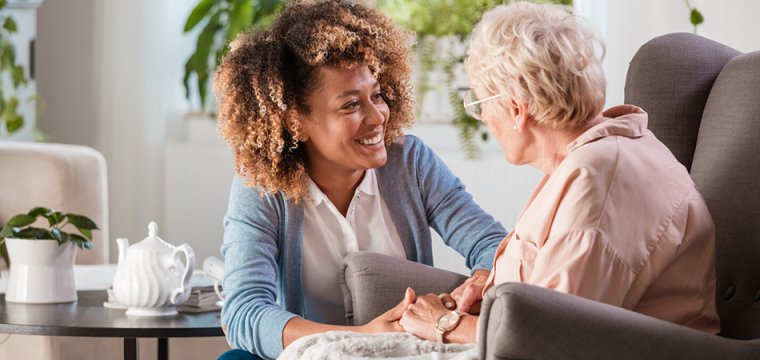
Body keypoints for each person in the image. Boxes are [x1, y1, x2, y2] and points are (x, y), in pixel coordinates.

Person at [398, 1, 720, 344]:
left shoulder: (597, 179)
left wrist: (445, 324)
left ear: (516, 109)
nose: (485, 119)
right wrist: (493, 289)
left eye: (479, 104)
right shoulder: (600, 153)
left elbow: (552, 335)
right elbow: (558, 288)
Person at [213, 1, 507, 358]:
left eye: (377, 95)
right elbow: (245, 311)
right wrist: (358, 336)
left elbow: (494, 246)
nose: (377, 116)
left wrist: (475, 286)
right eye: (351, 105)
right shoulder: (262, 188)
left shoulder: (410, 162)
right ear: (295, 123)